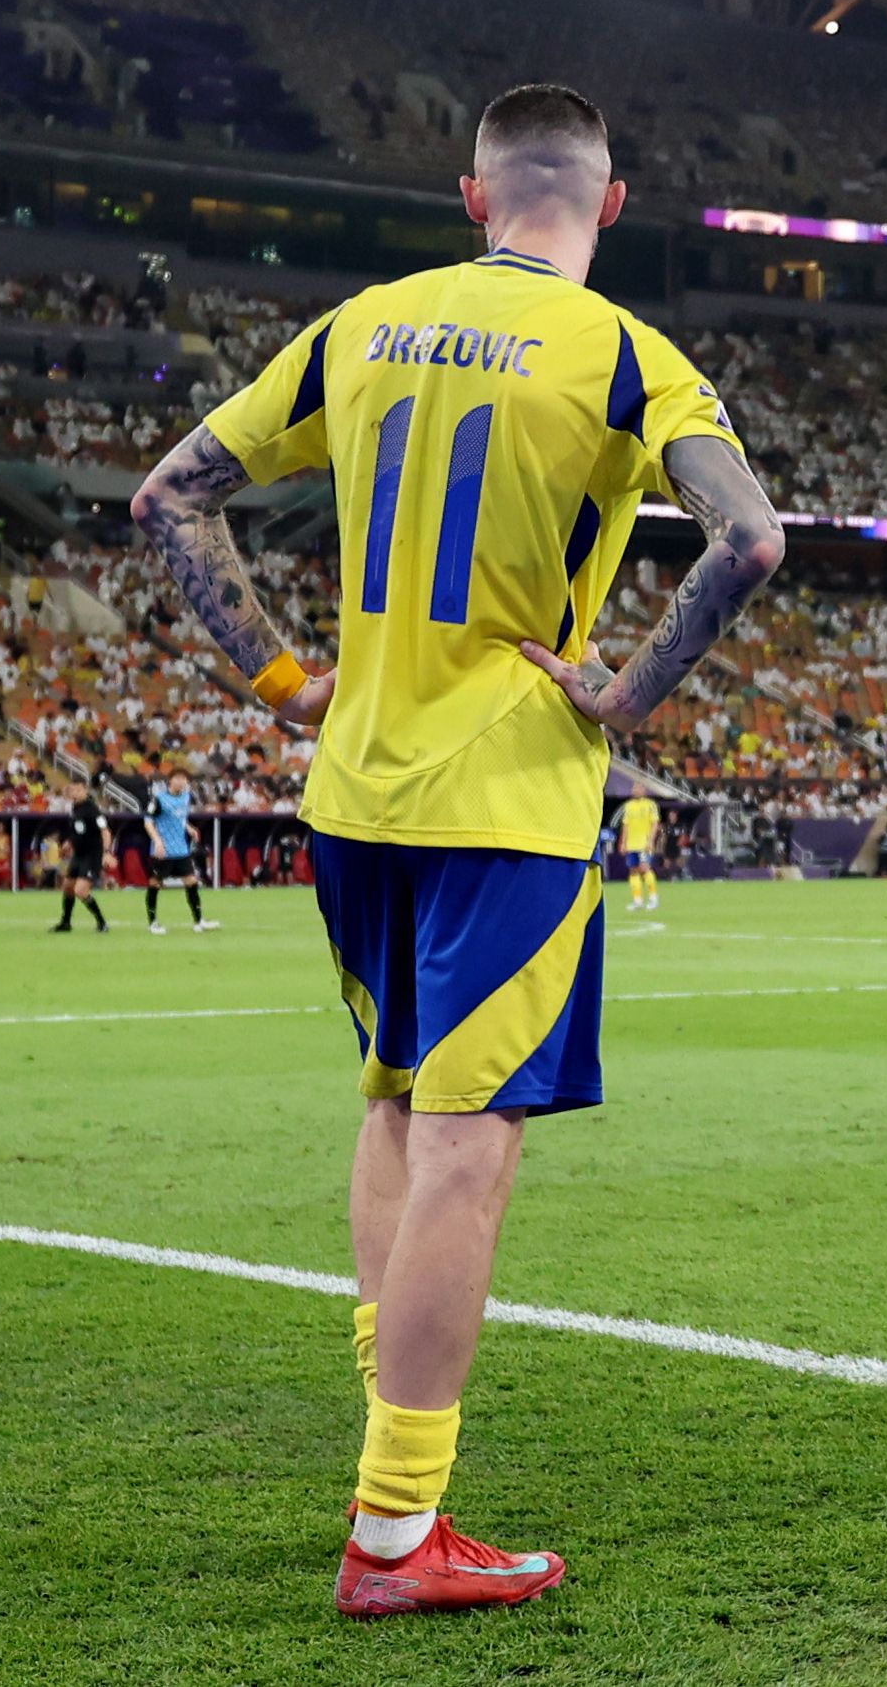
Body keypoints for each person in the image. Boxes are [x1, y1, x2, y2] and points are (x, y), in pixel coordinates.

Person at [131, 81, 781, 1617]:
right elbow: (749, 538)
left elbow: (170, 498)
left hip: (355, 789)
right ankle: (393, 1534)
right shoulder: (626, 355)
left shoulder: (360, 327)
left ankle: (391, 1484)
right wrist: (624, 693)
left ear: (472, 197)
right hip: (508, 802)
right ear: (608, 205)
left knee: (394, 1103)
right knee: (468, 1149)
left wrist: (284, 680)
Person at [143, 773, 210, 934]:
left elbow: (179, 817)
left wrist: (189, 828)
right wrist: (157, 841)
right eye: (178, 778)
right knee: (155, 884)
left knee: (191, 881)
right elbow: (148, 821)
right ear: (170, 781)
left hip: (181, 850)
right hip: (163, 850)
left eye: (184, 779)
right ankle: (153, 923)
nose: (182, 782)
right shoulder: (159, 799)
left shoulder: (186, 797)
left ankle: (199, 921)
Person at [55, 789, 112, 934]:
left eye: (78, 789)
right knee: (68, 887)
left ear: (85, 791)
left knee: (80, 890)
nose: (74, 792)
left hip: (92, 855)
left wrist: (106, 853)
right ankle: (66, 923)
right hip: (79, 855)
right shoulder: (75, 808)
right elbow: (79, 831)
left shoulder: (92, 809)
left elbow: (105, 831)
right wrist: (69, 842)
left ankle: (102, 923)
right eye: (73, 789)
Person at [616, 792, 660, 913]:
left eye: (639, 788)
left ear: (643, 790)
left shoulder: (650, 804)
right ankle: (637, 901)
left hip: (644, 844)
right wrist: (623, 842)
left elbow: (655, 824)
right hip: (631, 845)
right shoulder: (628, 806)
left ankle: (653, 898)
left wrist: (651, 841)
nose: (636, 790)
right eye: (634, 788)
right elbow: (625, 825)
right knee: (633, 871)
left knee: (645, 868)